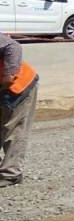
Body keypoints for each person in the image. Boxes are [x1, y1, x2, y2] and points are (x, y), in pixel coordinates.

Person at [0, 31, 37, 187]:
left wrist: (9, 75)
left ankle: (11, 173)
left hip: (17, 85)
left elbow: (13, 46)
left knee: (13, 130)